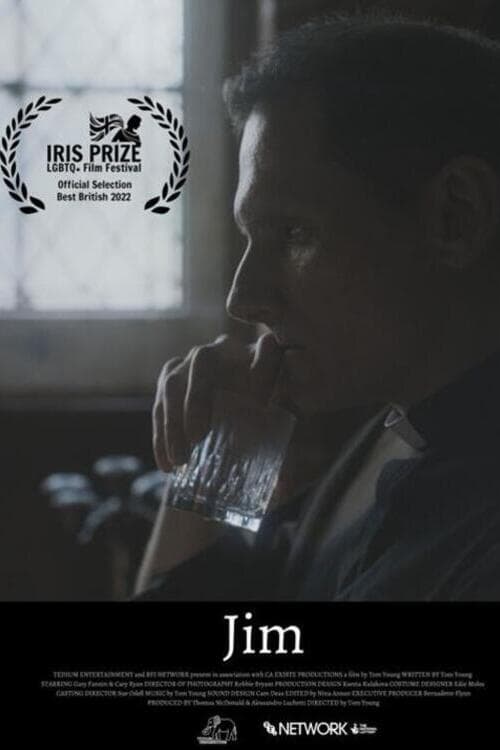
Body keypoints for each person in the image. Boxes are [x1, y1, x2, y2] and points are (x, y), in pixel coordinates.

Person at [137, 13, 500, 600]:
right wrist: (217, 457)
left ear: (456, 216)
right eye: (251, 237)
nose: (242, 299)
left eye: (294, 234)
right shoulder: (388, 430)